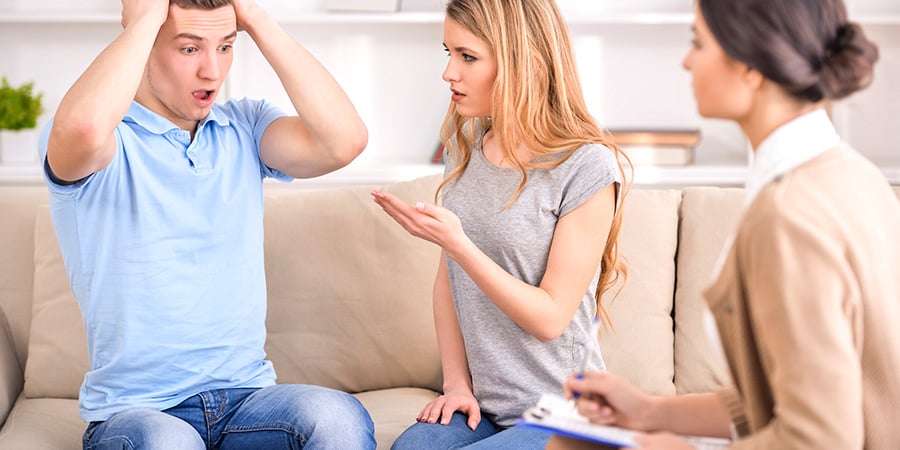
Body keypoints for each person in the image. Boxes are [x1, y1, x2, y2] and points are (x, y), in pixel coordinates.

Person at [551, 0, 900, 449]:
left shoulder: (790, 216)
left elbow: (819, 437)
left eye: (698, 42)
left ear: (751, 64)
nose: (686, 60)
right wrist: (648, 410)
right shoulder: (852, 173)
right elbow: (784, 400)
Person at [38, 0, 375, 448]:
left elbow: (344, 141)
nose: (212, 72)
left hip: (247, 402)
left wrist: (254, 16)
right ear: (144, 41)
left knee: (336, 418)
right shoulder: (104, 141)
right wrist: (143, 18)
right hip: (140, 414)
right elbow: (81, 130)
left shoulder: (245, 127)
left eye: (226, 46)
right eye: (189, 48)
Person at [370, 0, 630, 448]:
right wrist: (456, 385)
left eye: (467, 57)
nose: (449, 72)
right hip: (487, 408)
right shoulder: (467, 144)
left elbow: (550, 317)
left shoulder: (586, 166)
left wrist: (459, 244)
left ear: (522, 63)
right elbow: (448, 283)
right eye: (448, 52)